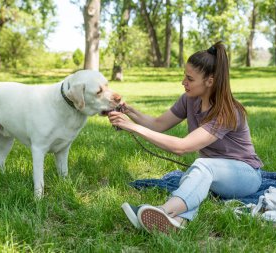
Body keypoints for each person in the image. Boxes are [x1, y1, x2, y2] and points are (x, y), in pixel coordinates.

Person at [107, 41, 263, 234]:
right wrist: (128, 110)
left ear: (210, 81)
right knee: (198, 174)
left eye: (189, 78)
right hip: (212, 173)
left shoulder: (227, 111)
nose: (183, 82)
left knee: (201, 165)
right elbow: (158, 124)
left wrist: (132, 127)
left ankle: (162, 212)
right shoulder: (189, 100)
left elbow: (182, 147)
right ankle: (177, 222)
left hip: (245, 175)